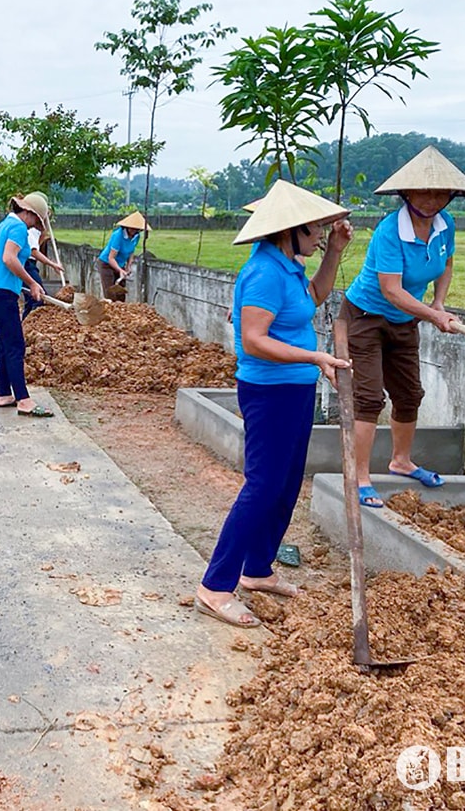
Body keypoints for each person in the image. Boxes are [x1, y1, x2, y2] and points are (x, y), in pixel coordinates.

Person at [197, 180, 353, 628]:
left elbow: (311, 301)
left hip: (296, 389)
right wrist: (316, 356)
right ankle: (215, 585)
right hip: (270, 392)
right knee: (263, 486)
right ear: (291, 230)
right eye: (317, 229)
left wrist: (334, 253)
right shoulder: (264, 271)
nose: (321, 234)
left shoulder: (288, 266)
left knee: (285, 485)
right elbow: (254, 340)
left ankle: (258, 570)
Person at [341, 147, 465, 508]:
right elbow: (392, 290)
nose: (433, 200)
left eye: (441, 193)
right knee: (369, 397)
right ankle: (359, 475)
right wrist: (433, 317)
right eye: (424, 192)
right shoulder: (389, 231)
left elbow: (445, 264)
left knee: (409, 395)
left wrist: (438, 303)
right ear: (406, 193)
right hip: (366, 317)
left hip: (406, 320)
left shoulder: (445, 225)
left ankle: (401, 461)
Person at [0, 192, 56, 418]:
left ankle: (4, 394)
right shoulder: (18, 228)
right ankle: (24, 400)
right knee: (15, 346)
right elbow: (9, 258)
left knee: (5, 344)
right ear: (30, 213)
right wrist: (32, 282)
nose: (35, 225)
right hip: (2, 295)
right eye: (36, 220)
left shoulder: (4, 225)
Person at [100, 211, 148, 302]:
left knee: (121, 294)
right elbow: (111, 258)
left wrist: (128, 266)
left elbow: (131, 251)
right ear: (127, 227)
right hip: (106, 264)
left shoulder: (136, 236)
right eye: (132, 228)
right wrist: (120, 270)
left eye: (136, 229)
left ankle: (120, 312)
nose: (133, 231)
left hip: (120, 264)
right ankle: (110, 313)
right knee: (110, 293)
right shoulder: (118, 235)